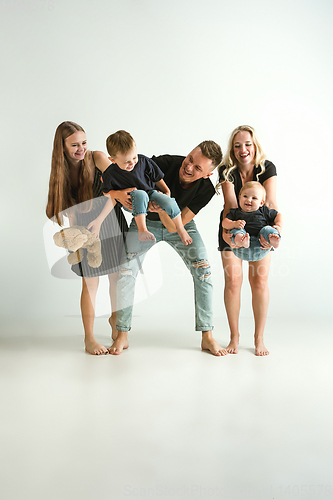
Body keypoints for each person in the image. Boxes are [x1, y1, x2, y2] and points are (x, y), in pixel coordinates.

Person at [107, 140, 228, 356]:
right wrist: (120, 195)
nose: (189, 167)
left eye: (198, 167)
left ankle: (207, 336)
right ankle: (122, 333)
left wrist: (162, 210)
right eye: (190, 159)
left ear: (207, 174)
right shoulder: (163, 163)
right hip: (144, 222)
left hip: (181, 225)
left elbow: (177, 223)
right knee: (125, 272)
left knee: (204, 272)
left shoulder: (206, 190)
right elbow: (126, 172)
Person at [46, 121, 128, 355]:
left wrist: (100, 222)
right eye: (74, 145)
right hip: (84, 230)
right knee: (90, 284)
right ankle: (89, 338)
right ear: (61, 147)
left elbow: (116, 193)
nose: (81, 149)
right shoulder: (60, 172)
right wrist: (76, 238)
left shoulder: (97, 158)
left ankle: (117, 323)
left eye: (83, 142)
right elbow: (68, 211)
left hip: (110, 220)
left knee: (116, 279)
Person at [217, 125, 281, 356]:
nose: (242, 149)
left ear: (255, 146)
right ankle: (234, 337)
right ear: (232, 149)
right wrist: (228, 234)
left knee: (259, 283)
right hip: (234, 226)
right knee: (233, 283)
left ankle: (258, 338)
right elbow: (230, 206)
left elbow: (271, 203)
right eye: (237, 145)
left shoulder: (267, 168)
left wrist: (274, 231)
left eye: (247, 144)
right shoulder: (226, 169)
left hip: (262, 227)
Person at [102, 130, 192, 245]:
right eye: (126, 162)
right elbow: (106, 192)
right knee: (140, 194)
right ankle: (142, 229)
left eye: (134, 158)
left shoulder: (143, 161)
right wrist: (117, 194)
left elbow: (157, 178)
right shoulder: (110, 174)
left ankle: (180, 228)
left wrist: (166, 191)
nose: (132, 163)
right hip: (131, 200)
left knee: (167, 200)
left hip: (150, 194)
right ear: (113, 160)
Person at [222, 181, 282, 262]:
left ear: (261, 203)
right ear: (239, 198)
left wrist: (278, 226)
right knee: (237, 230)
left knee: (267, 229)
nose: (248, 200)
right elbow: (224, 223)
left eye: (254, 198)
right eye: (245, 196)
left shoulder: (264, 210)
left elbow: (279, 215)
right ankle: (241, 240)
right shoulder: (235, 212)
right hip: (241, 248)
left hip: (261, 244)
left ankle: (274, 239)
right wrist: (234, 224)